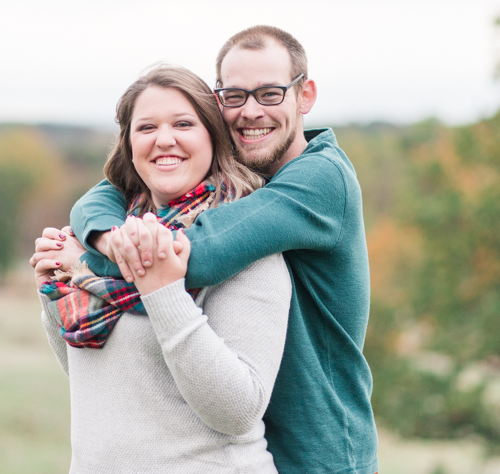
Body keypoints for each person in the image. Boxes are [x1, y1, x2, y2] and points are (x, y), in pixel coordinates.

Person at [35, 25, 379, 474]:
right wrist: (95, 239)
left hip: (319, 451)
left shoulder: (319, 181)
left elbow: (197, 253)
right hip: (260, 435)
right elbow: (104, 192)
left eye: (270, 93)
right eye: (234, 96)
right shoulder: (208, 192)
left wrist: (85, 261)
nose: (251, 111)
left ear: (305, 96)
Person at [32, 66, 292, 473]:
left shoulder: (242, 249)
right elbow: (104, 384)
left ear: (213, 136)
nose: (164, 139)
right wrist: (57, 291)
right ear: (130, 144)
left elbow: (238, 411)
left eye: (183, 124)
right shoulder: (101, 243)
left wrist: (164, 292)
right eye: (146, 127)